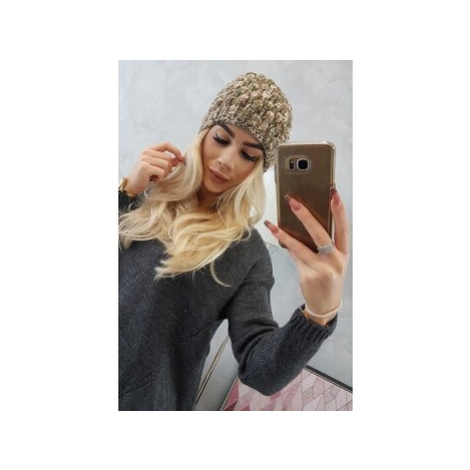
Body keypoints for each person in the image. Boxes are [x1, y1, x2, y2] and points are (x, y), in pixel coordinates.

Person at [118, 72, 350, 411]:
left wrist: (318, 314)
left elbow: (261, 372)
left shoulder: (246, 254)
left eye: (248, 154)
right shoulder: (144, 194)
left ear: (259, 168)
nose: (227, 160)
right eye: (221, 138)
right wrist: (125, 194)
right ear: (204, 133)